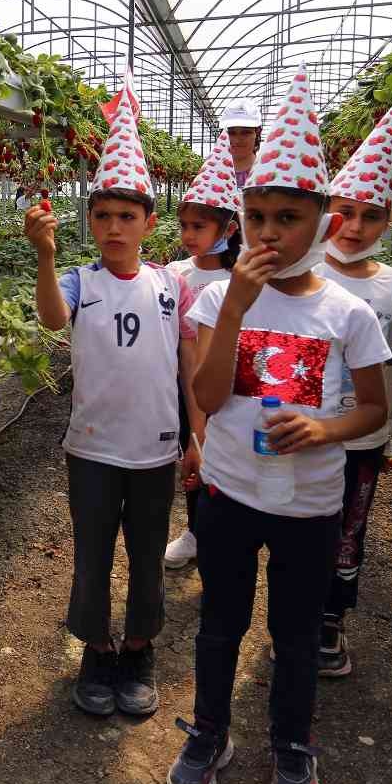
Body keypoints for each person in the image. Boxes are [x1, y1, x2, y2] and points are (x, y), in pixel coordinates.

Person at [165, 68, 390, 784]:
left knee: (294, 638)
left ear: (322, 223)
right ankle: (210, 732)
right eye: (255, 216)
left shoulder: (350, 314)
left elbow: (373, 412)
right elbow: (205, 396)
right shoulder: (211, 295)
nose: (267, 232)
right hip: (229, 491)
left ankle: (293, 745)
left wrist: (324, 428)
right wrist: (235, 301)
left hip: (312, 505)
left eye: (286, 218)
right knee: (219, 624)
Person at [26, 77, 200, 721]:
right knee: (93, 549)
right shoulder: (77, 280)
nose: (114, 226)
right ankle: (98, 649)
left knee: (148, 552)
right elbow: (50, 319)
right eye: (103, 216)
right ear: (89, 222)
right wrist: (45, 256)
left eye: (128, 216)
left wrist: (196, 434)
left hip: (156, 448)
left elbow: (187, 362)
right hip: (93, 448)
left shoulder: (169, 286)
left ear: (151, 223)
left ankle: (140, 646)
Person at [314, 102, 392, 678]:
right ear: (327, 211)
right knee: (303, 522)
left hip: (364, 434)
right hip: (305, 425)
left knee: (351, 524)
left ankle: (332, 617)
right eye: (344, 212)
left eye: (369, 216)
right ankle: (296, 610)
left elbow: (386, 361)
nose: (353, 228)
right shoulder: (302, 274)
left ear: (387, 219)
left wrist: (385, 429)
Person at [163, 131, 245, 571]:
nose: (189, 235)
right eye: (185, 226)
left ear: (228, 229)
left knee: (227, 457)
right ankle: (195, 530)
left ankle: (226, 533)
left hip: (232, 390)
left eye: (199, 227)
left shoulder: (243, 281)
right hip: (183, 388)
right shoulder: (174, 274)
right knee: (191, 452)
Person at [219, 98, 262, 189]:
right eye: (231, 133)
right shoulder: (213, 173)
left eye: (245, 132)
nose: (237, 140)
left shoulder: (267, 173)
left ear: (257, 133)